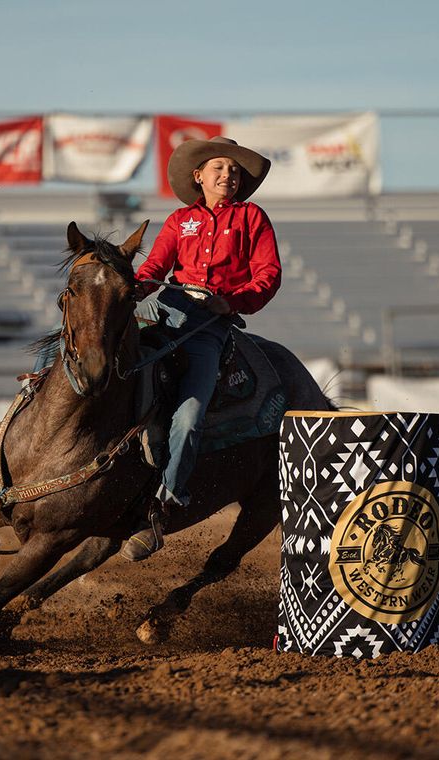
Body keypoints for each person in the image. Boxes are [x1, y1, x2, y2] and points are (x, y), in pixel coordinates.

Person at [121, 136, 281, 561]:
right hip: (164, 310)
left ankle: (167, 498)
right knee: (92, 337)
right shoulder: (178, 221)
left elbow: (268, 275)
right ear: (199, 177)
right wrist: (135, 288)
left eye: (234, 171)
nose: (228, 176)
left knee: (189, 416)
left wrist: (231, 301)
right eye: (219, 169)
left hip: (210, 324)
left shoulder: (252, 218)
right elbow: (156, 267)